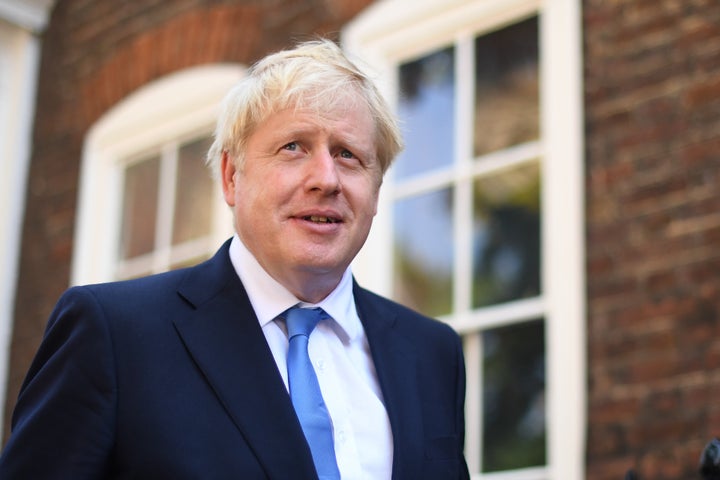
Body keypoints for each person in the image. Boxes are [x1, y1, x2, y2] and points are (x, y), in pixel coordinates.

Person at [0, 39, 469, 479]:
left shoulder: (431, 353)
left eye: (348, 155)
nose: (326, 178)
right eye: (293, 147)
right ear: (231, 176)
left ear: (376, 189)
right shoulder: (113, 334)